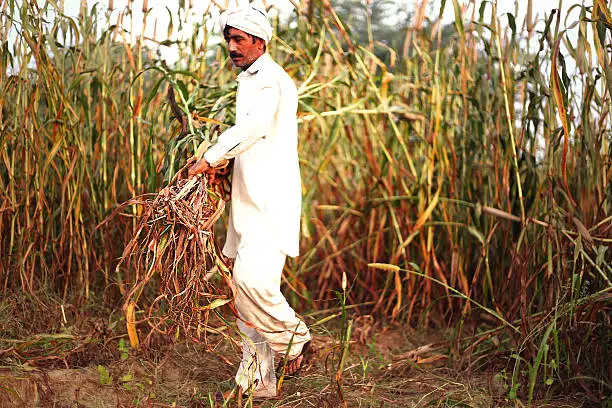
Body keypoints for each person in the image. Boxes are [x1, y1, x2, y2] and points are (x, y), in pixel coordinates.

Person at [188, 5, 311, 399]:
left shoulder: (270, 80)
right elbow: (253, 137)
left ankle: (296, 339)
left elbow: (254, 128)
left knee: (250, 282)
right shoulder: (250, 79)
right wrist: (222, 167)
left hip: (270, 202)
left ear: (260, 42)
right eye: (229, 40)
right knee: (242, 298)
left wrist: (214, 155)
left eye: (239, 40)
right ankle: (257, 385)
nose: (232, 47)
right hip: (248, 202)